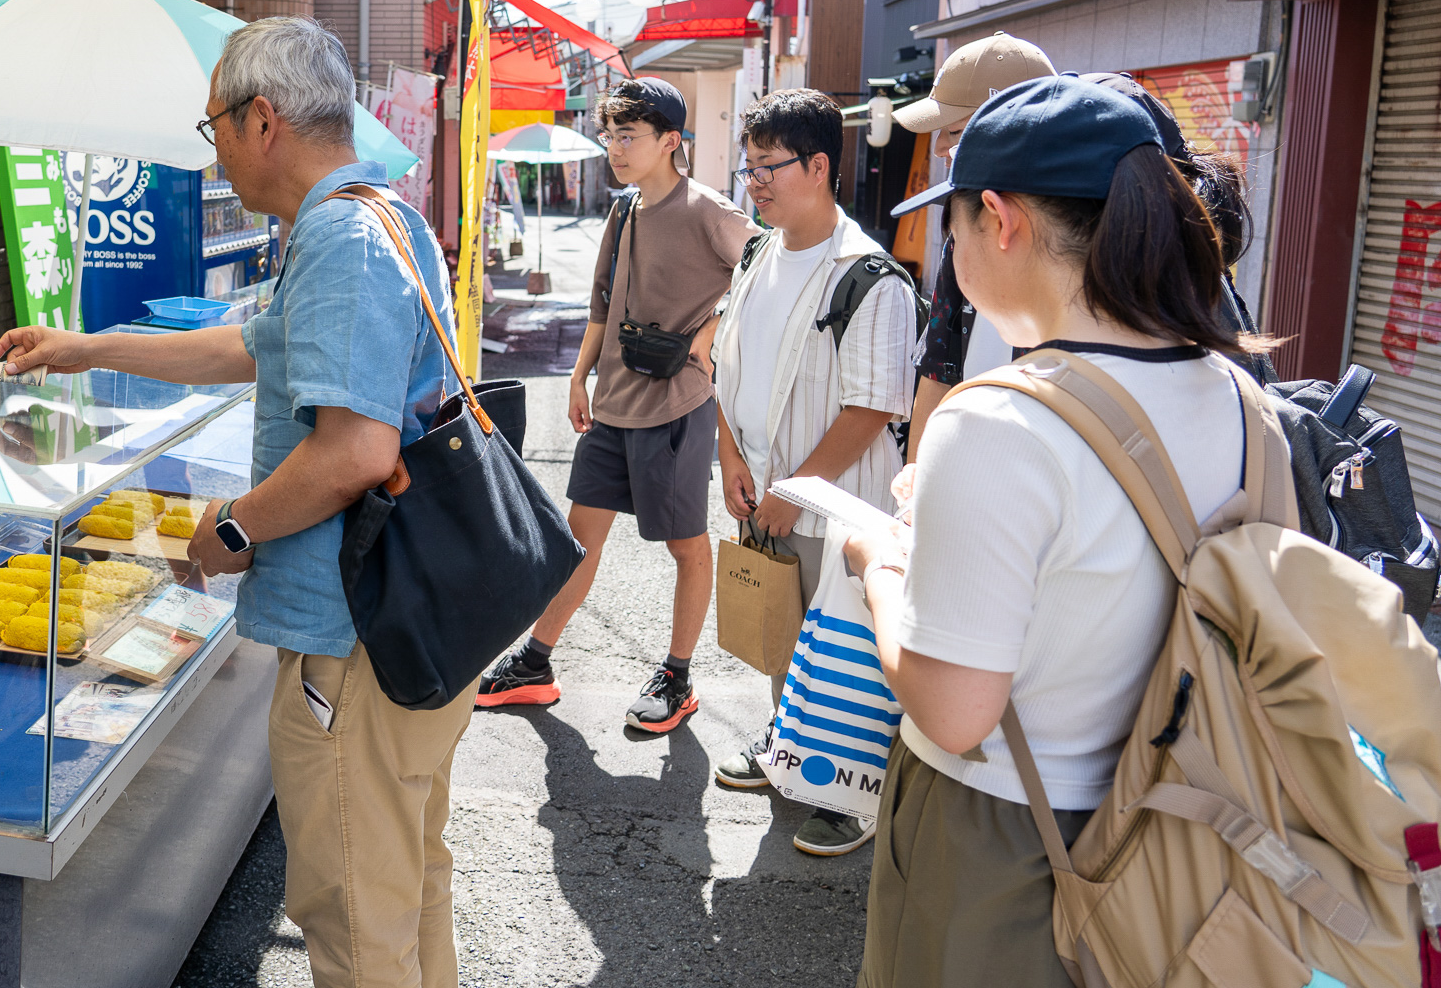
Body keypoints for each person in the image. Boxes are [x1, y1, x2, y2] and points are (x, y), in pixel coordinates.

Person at [0, 17, 470, 988]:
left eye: (211, 126)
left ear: (261, 118)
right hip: (405, 629)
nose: (211, 147)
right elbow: (249, 346)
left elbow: (356, 449)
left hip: (351, 639)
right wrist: (85, 347)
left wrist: (232, 526)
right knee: (405, 887)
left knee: (354, 919)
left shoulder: (337, 235)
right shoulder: (376, 215)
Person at [845, 76, 1260, 985]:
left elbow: (957, 715)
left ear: (999, 219)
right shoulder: (1242, 396)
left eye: (950, 223)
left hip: (1007, 836)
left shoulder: (996, 425)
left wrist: (878, 561)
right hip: (1190, 825)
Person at [474, 77, 757, 734]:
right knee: (578, 541)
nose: (615, 149)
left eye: (628, 136)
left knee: (686, 547)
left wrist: (712, 328)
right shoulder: (625, 210)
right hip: (613, 407)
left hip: (679, 406)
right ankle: (537, 662)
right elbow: (604, 303)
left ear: (669, 141)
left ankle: (678, 676)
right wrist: (578, 377)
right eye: (611, 136)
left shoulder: (707, 210)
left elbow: (765, 273)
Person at [708, 89, 917, 856]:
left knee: (850, 649)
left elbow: (872, 409)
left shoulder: (869, 275)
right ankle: (788, 756)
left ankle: (855, 798)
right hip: (763, 491)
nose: (754, 183)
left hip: (837, 505)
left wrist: (792, 495)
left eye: (770, 167)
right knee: (781, 636)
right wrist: (730, 455)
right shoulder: (760, 252)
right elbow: (725, 365)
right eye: (749, 167)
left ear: (820, 165)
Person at [889, 32, 1058, 461]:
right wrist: (914, 493)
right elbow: (938, 369)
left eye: (956, 130)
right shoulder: (960, 238)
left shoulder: (1088, 240)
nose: (941, 147)